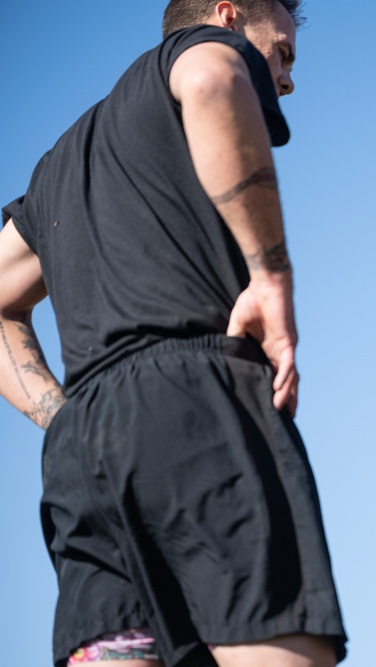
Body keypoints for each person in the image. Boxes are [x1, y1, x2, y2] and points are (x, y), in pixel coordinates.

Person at [0, 1, 347, 665]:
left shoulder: (55, 166)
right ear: (227, 15)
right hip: (195, 407)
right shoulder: (203, 54)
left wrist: (60, 416)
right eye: (281, 52)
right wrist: (270, 274)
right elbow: (214, 81)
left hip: (82, 459)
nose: (286, 77)